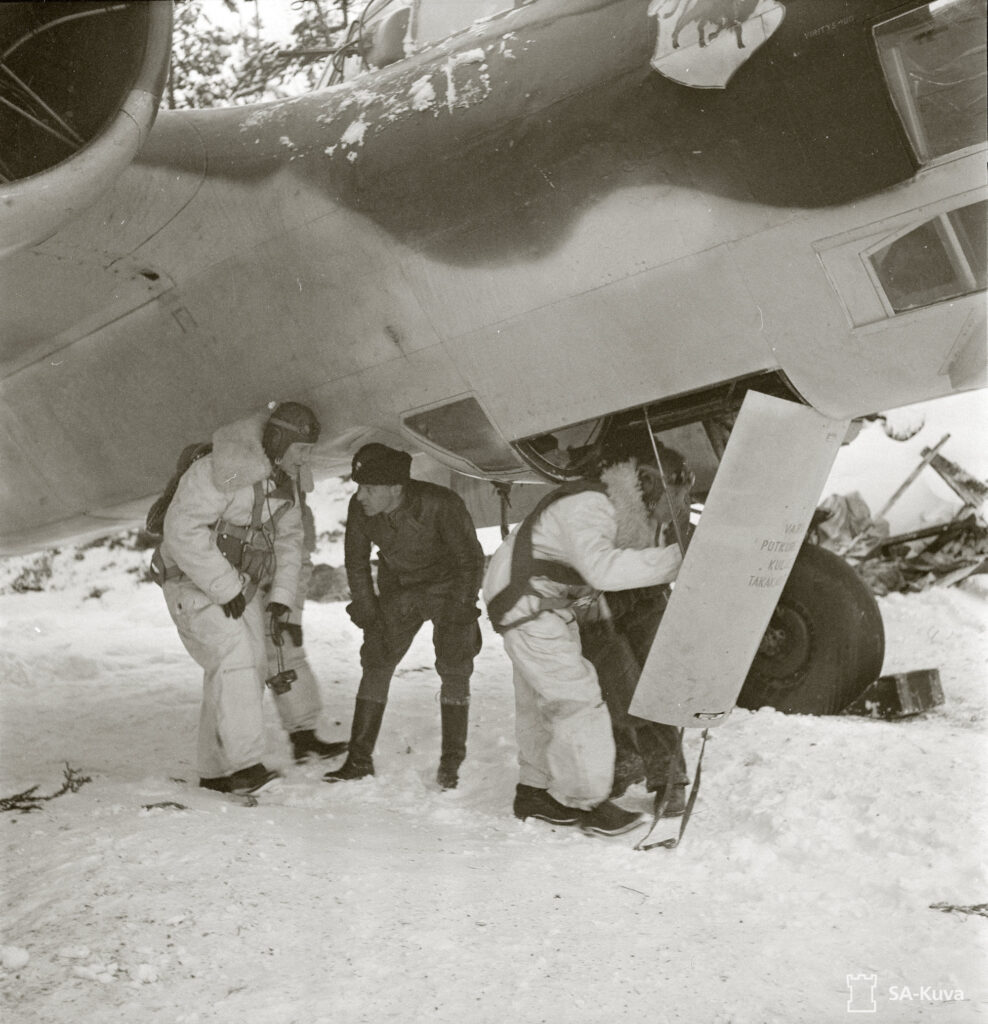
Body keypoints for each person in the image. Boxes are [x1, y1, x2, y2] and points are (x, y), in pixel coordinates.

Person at [483, 429, 683, 836]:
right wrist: (677, 560)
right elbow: (601, 570)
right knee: (578, 700)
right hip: (530, 602)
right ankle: (587, 802)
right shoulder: (591, 503)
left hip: (538, 603)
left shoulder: (599, 503)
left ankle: (534, 791)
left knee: (541, 703)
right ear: (645, 481)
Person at [159, 401, 336, 795]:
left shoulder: (282, 481)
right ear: (278, 442)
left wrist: (282, 597)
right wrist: (225, 586)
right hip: (192, 583)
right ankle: (245, 766)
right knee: (236, 658)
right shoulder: (216, 471)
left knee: (246, 666)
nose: (307, 459)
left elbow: (290, 540)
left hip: (233, 586)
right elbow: (182, 528)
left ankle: (215, 771)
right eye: (301, 449)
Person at [324, 443, 484, 789]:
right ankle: (358, 759)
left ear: (396, 489)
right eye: (359, 487)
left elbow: (470, 560)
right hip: (401, 589)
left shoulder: (442, 504)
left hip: (449, 589)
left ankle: (451, 764)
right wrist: (367, 610)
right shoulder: (361, 508)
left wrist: (461, 606)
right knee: (376, 661)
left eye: (369, 488)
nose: (360, 496)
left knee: (455, 666)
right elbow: (356, 561)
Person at [578, 442, 694, 816]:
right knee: (614, 685)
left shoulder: (670, 506)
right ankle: (627, 760)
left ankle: (669, 779)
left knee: (655, 687)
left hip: (647, 601)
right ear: (643, 480)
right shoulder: (602, 506)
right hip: (602, 605)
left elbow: (683, 546)